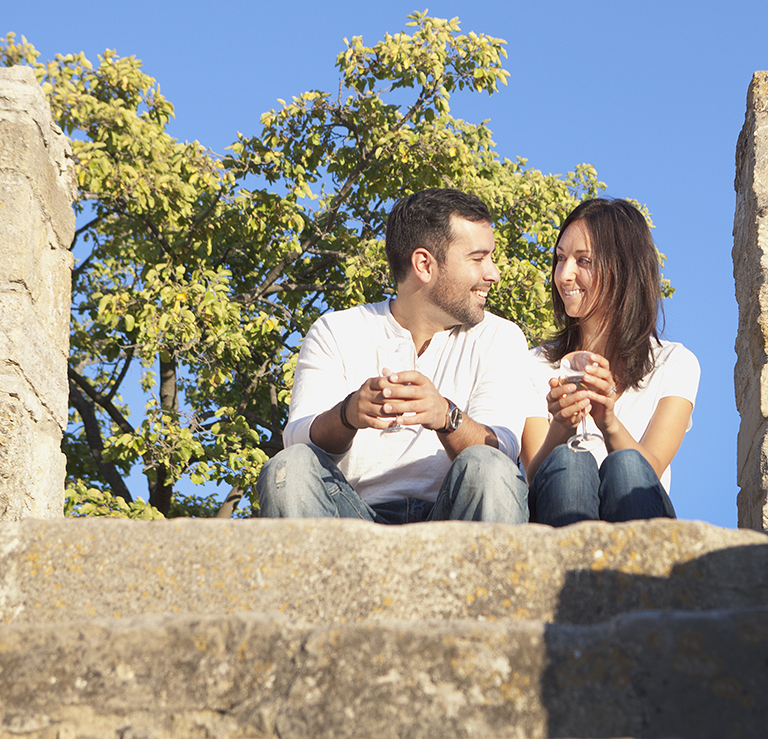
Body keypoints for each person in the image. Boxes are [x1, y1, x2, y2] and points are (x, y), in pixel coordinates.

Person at [255, 188, 530, 524]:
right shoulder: (337, 330)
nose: (493, 273)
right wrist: (348, 413)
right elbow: (296, 439)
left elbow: (502, 451)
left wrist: (446, 416)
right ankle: (320, 578)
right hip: (352, 520)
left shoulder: (501, 337)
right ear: (424, 264)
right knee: (289, 466)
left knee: (490, 467)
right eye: (478, 258)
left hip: (452, 522)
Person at [521, 198, 699, 525]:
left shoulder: (675, 363)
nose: (565, 274)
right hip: (554, 514)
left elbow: (650, 469)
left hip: (637, 518)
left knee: (626, 465)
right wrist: (562, 425)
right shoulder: (533, 366)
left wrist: (609, 421)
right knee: (570, 462)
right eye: (560, 259)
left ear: (623, 267)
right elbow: (534, 475)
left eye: (583, 260)